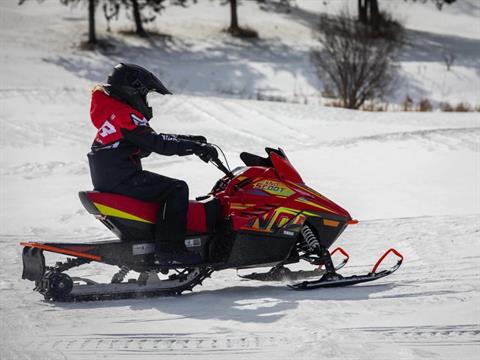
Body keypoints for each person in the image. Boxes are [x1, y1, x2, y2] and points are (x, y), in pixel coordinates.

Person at [87, 63, 217, 265]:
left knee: (163, 191)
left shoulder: (116, 115)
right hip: (122, 179)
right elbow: (159, 144)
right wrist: (194, 147)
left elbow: (150, 139)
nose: (145, 101)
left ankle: (161, 241)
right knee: (176, 189)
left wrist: (190, 140)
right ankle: (170, 250)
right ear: (133, 91)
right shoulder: (126, 115)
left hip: (112, 177)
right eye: (145, 94)